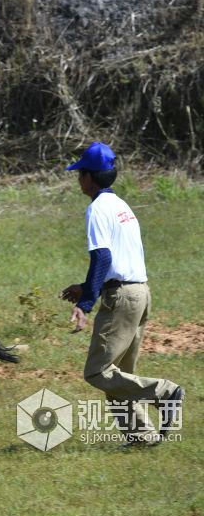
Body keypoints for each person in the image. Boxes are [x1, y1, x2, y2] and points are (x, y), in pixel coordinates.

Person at [59, 143, 185, 445]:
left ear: (90, 177)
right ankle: (141, 435)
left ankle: (166, 393)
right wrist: (89, 287)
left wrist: (86, 303)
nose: (78, 180)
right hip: (140, 293)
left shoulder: (97, 209)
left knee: (97, 372)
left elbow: (102, 258)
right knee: (120, 377)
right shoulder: (122, 207)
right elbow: (120, 261)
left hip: (121, 299)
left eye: (80, 174)